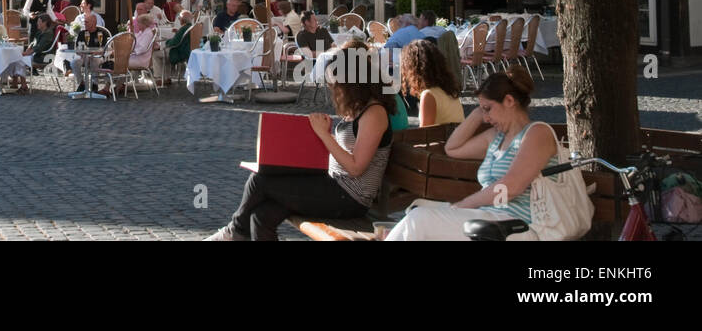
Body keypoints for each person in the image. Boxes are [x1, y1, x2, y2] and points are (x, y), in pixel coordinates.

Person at [206, 43, 396, 240]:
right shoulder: (359, 108)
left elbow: (356, 167)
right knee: (261, 215)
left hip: (349, 198)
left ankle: (234, 232)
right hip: (332, 185)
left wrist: (323, 135)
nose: (335, 91)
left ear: (353, 83)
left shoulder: (374, 113)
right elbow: (346, 150)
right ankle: (236, 232)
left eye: (337, 85)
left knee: (260, 182)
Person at [385, 67, 557, 241]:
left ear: (509, 101)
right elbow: (452, 149)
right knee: (417, 214)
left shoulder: (537, 133)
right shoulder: (496, 137)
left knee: (419, 220)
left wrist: (462, 206)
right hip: (488, 219)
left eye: (488, 109)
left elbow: (511, 187)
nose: (486, 117)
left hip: (518, 226)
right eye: (483, 110)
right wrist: (477, 114)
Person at [400, 39, 465, 127]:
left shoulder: (429, 95)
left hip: (443, 139)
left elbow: (425, 134)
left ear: (414, 69)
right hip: (455, 138)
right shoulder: (449, 89)